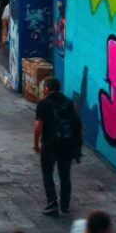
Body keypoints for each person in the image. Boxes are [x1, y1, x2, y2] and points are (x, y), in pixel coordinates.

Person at [34, 77, 83, 216]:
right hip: (67, 144)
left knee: (47, 173)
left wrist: (35, 144)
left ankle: (52, 203)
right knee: (65, 175)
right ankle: (65, 205)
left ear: (46, 89)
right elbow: (76, 123)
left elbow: (38, 125)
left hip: (50, 144)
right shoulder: (68, 102)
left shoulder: (44, 103)